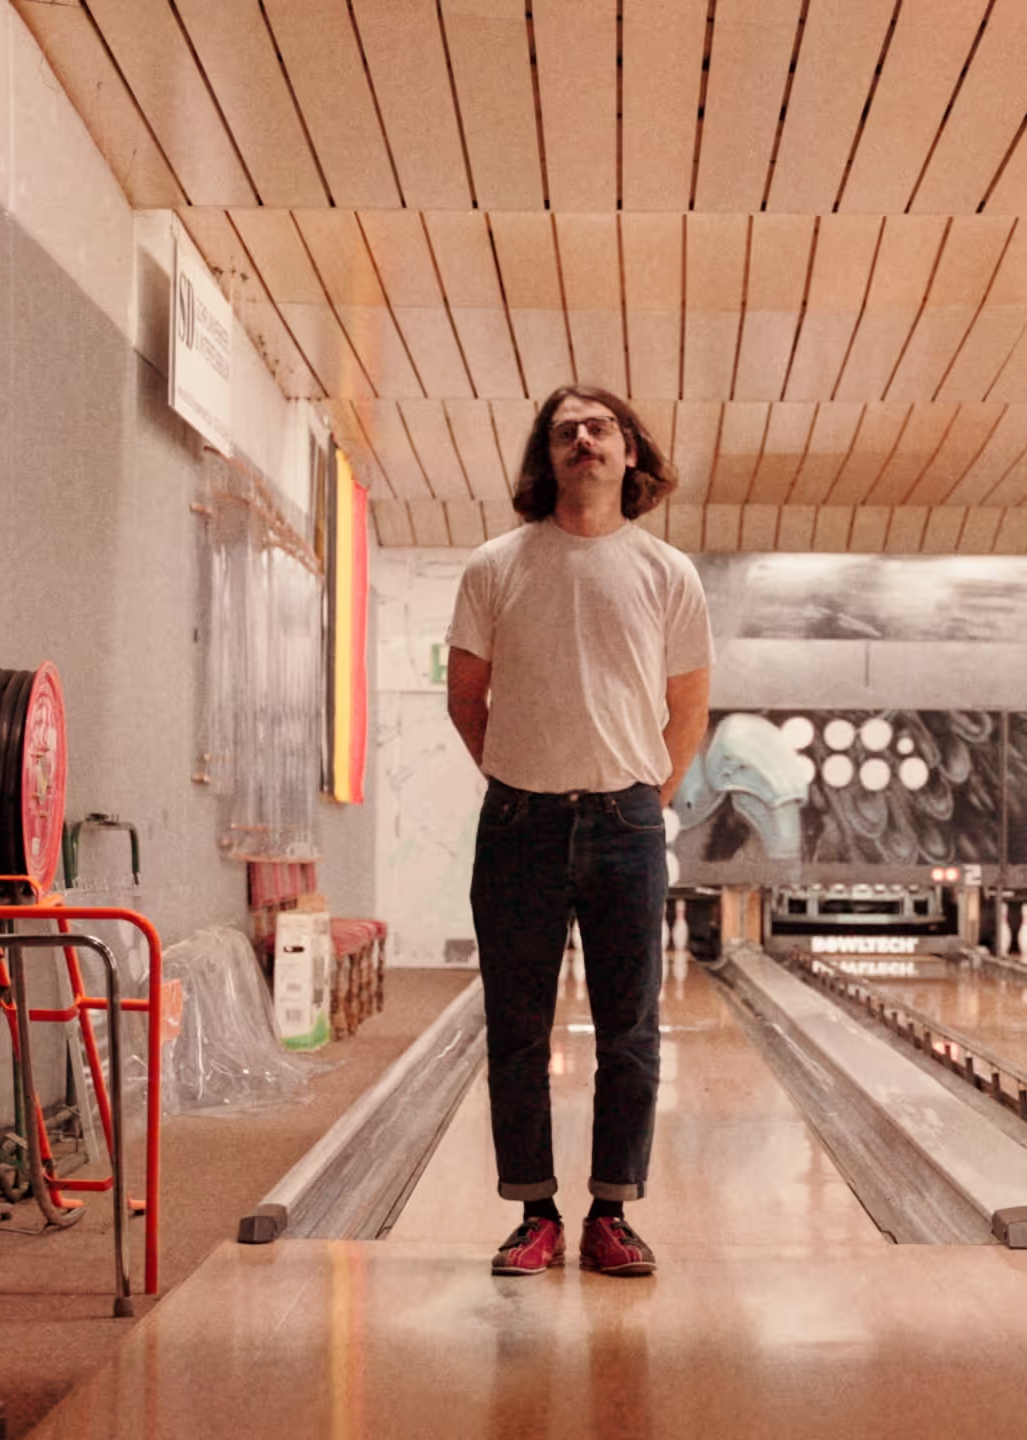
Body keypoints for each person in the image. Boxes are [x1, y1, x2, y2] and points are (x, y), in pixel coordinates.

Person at [445, 385, 713, 1278]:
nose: (583, 440)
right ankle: (533, 1215)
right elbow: (465, 697)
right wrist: (522, 775)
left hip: (625, 822)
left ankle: (611, 1213)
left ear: (631, 452)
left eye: (599, 428)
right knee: (516, 1030)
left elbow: (688, 707)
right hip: (518, 820)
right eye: (565, 432)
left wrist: (645, 797)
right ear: (546, 456)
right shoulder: (496, 563)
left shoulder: (668, 571)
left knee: (629, 1030)